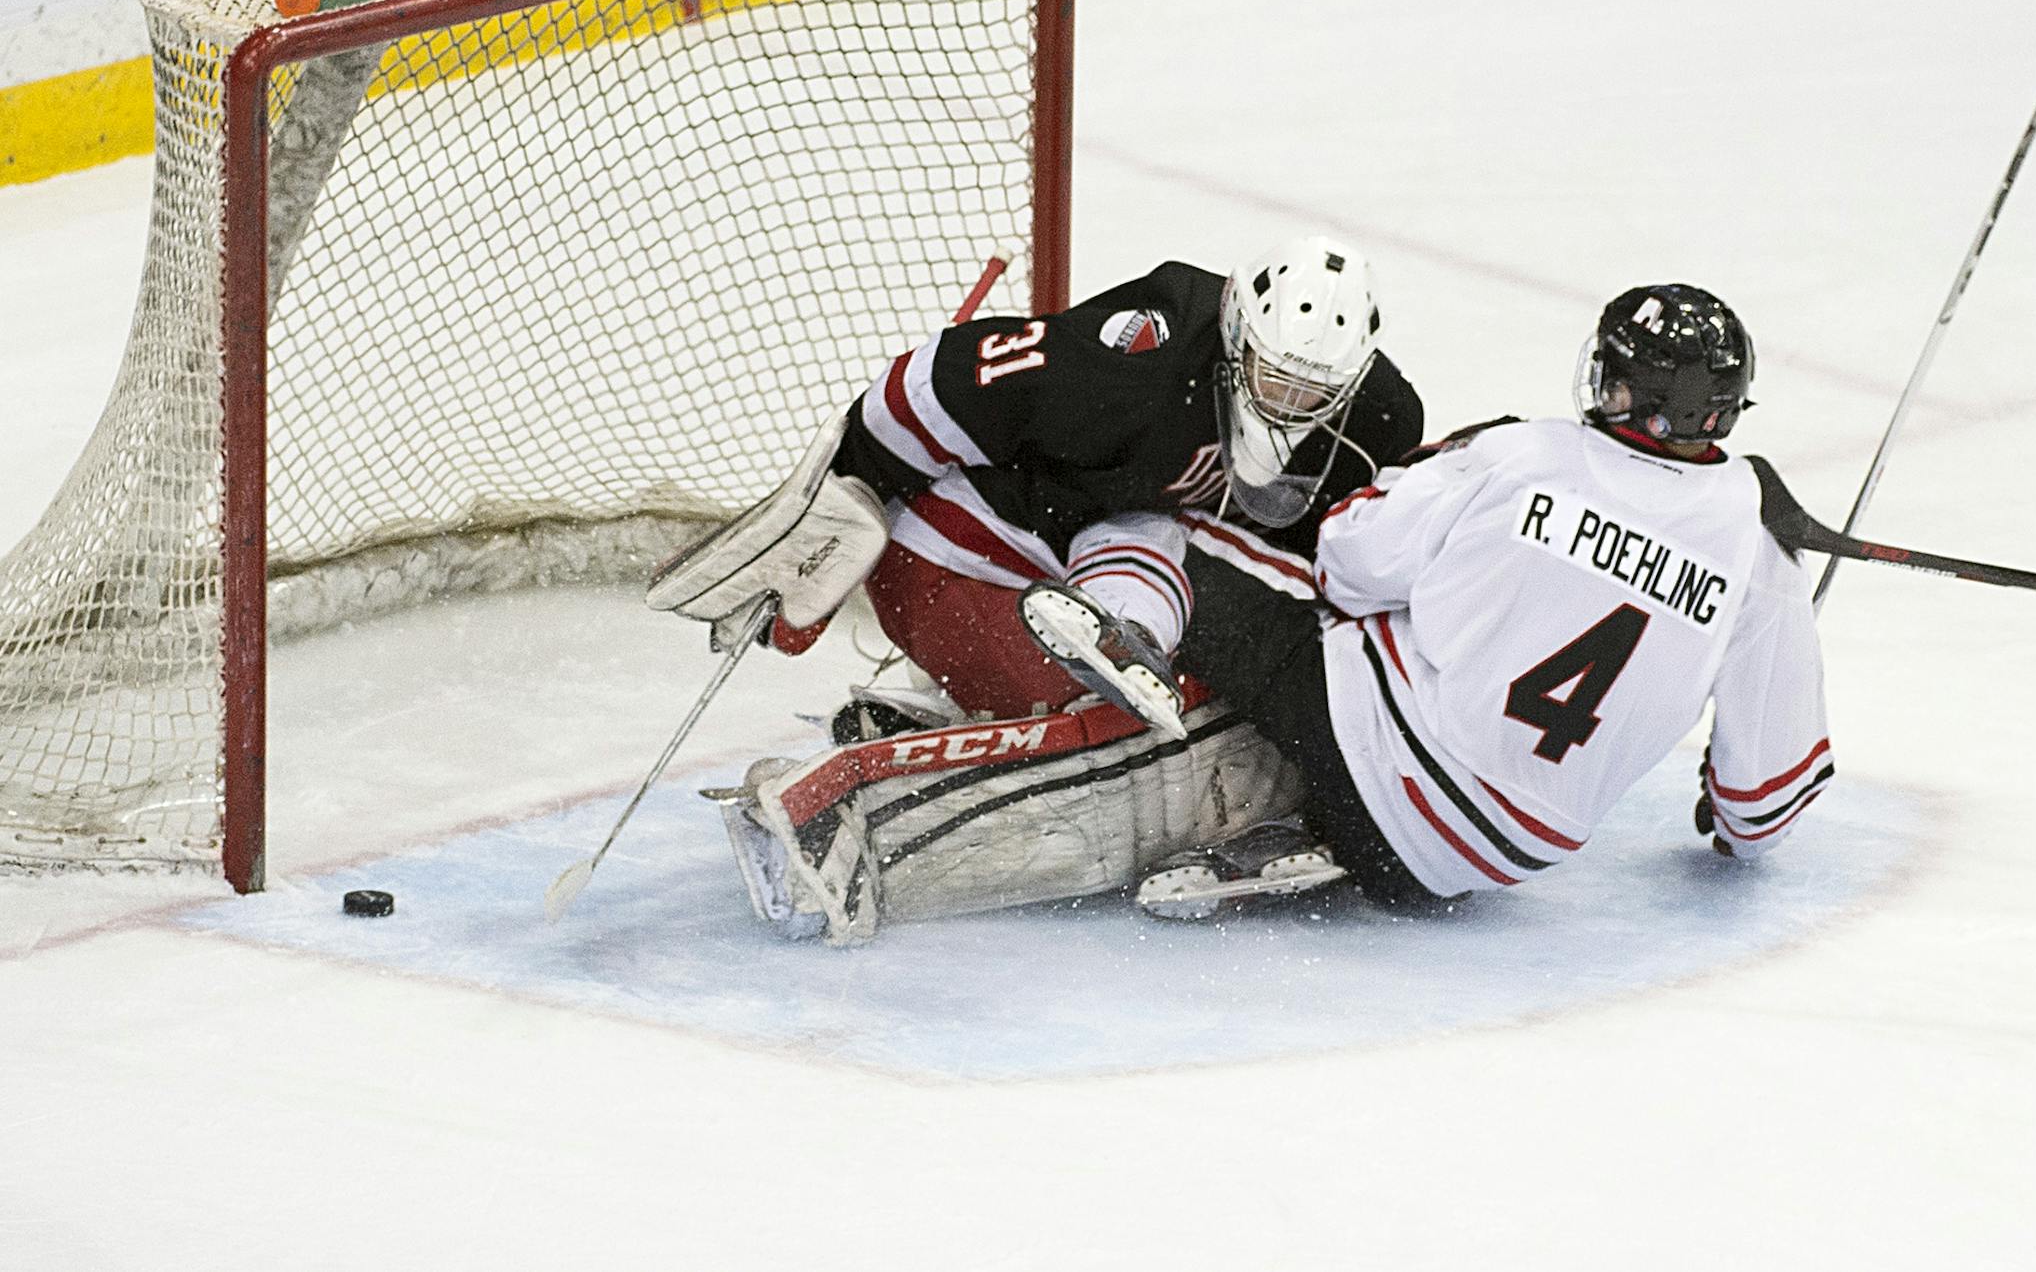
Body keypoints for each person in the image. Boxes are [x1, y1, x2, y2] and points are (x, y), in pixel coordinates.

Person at [705, 283, 1836, 944]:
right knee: (1281, 671)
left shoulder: (1520, 454)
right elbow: (1764, 801)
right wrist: (1727, 813)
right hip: (1484, 870)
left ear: (1608, 379)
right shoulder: (1764, 553)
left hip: (1370, 760)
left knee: (1176, 526)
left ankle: (1121, 618)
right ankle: (1266, 808)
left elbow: (1350, 559)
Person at [647, 237, 1424, 737]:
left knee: (1161, 541)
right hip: (958, 550)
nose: (1288, 403)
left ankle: (1119, 645)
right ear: (1234, 340)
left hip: (1087, 546)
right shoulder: (1140, 361)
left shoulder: (1380, 420)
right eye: (1273, 376)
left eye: (1314, 390)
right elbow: (941, 382)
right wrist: (847, 493)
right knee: (1116, 676)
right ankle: (1008, 710)